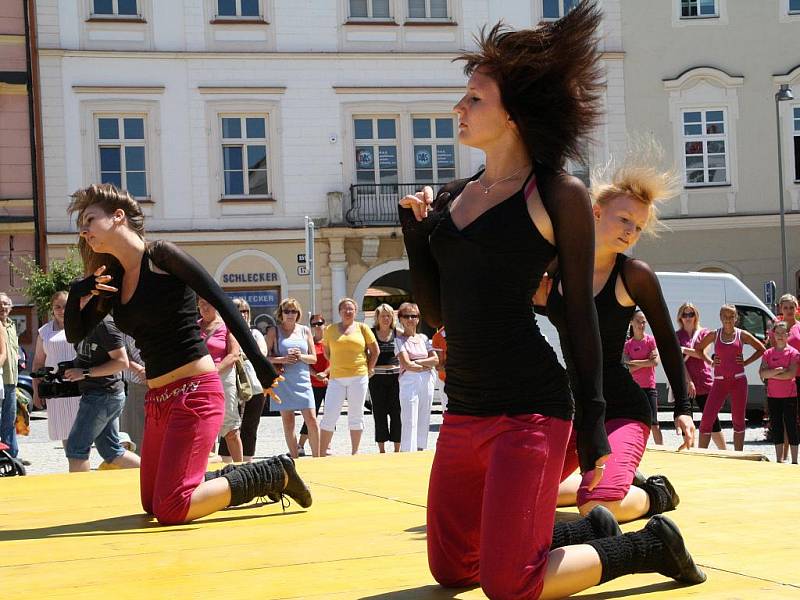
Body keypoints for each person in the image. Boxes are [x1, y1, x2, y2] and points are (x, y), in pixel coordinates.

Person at [398, 4, 705, 597]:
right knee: (452, 570)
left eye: (474, 99)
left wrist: (592, 426)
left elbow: (582, 315)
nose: (459, 108)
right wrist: (415, 232)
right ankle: (579, 531)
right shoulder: (456, 198)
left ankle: (645, 544)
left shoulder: (555, 193)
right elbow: (436, 315)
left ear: (513, 115)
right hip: (462, 410)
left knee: (507, 584)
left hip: (530, 413)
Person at [65, 183, 310, 525]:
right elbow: (76, 333)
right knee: (153, 503)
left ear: (118, 217)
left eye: (90, 219)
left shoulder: (161, 256)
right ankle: (225, 480)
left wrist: (262, 364)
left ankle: (271, 474)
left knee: (171, 508)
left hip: (196, 393)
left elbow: (223, 302)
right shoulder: (114, 280)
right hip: (158, 401)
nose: (84, 230)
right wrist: (79, 291)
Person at [538, 141, 695, 524]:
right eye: (624, 219)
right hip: (575, 411)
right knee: (521, 495)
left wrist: (684, 410)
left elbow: (667, 339)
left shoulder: (633, 274)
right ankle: (610, 480)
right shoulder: (555, 268)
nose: (630, 231)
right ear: (595, 212)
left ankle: (654, 493)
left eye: (638, 227)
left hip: (622, 409)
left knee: (597, 507)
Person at [61, 314, 140, 472]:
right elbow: (88, 357)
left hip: (103, 394)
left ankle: (80, 494)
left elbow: (121, 362)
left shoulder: (104, 324)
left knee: (76, 448)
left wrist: (84, 372)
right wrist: (69, 368)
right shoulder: (84, 322)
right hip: (101, 394)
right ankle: (151, 477)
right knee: (111, 450)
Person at [695, 304, 765, 451]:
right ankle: (701, 454)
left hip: (738, 381)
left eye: (731, 316)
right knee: (707, 419)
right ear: (720, 317)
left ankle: (738, 457)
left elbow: (761, 349)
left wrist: (746, 362)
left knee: (738, 420)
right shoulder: (715, 334)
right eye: (725, 316)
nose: (728, 319)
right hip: (719, 382)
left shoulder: (742, 335)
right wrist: (710, 361)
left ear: (736, 318)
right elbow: (699, 349)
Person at [319, 298, 379, 456]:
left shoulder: (363, 328)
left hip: (358, 376)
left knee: (356, 414)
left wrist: (370, 368)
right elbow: (326, 351)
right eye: (344, 309)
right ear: (339, 312)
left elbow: (375, 350)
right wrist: (335, 364)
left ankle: (355, 452)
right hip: (336, 378)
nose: (348, 311)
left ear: (356, 311)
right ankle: (321, 452)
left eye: (351, 309)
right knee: (329, 414)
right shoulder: (330, 330)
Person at [266, 298, 320, 458]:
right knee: (289, 422)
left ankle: (317, 458)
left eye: (293, 311)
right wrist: (282, 359)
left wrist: (300, 356)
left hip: (302, 379)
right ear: (281, 313)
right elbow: (265, 357)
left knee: (312, 419)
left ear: (298, 313)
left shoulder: (305, 330)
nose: (290, 314)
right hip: (283, 380)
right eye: (287, 311)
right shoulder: (273, 331)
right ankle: (295, 457)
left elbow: (314, 358)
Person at [217, 297, 268, 463]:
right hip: (231, 382)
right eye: (239, 310)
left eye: (246, 310)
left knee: (250, 425)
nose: (243, 314)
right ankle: (227, 460)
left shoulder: (255, 333)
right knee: (230, 423)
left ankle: (247, 461)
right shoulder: (224, 331)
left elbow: (261, 354)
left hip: (253, 384)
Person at [31, 291, 83, 447]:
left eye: (66, 306)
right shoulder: (44, 332)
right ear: (52, 309)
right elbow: (38, 363)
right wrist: (36, 391)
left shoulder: (81, 328)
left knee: (83, 434)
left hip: (80, 387)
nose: (62, 310)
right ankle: (74, 468)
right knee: (64, 433)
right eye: (57, 307)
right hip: (57, 391)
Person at [197, 296, 243, 463]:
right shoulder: (195, 326)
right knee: (205, 428)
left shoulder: (226, 325)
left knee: (230, 428)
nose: (204, 307)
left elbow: (234, 354)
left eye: (207, 303)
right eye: (201, 304)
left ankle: (241, 468)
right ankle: (208, 470)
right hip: (200, 380)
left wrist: (214, 371)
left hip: (223, 378)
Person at [675, 302, 725, 450]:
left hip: (704, 380)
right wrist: (689, 381)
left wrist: (683, 349)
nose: (688, 317)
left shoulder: (704, 333)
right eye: (685, 314)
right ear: (680, 317)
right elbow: (679, 361)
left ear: (696, 315)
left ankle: (725, 452)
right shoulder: (677, 335)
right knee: (686, 417)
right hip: (686, 382)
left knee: (711, 419)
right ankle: (690, 450)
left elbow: (702, 353)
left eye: (691, 314)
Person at [394, 302, 438, 452]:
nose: (410, 319)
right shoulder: (398, 340)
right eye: (406, 316)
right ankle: (407, 451)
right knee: (409, 417)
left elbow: (436, 360)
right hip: (409, 380)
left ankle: (421, 449)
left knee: (424, 415)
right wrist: (425, 364)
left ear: (418, 319)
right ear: (400, 318)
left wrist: (417, 362)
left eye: (414, 316)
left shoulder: (424, 338)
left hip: (426, 379)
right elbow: (406, 364)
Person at [759, 321, 799, 463]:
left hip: (789, 396)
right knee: (777, 426)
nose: (781, 336)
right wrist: (778, 371)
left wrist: (772, 374)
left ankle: (794, 460)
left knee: (791, 426)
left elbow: (791, 374)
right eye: (778, 333)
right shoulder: (768, 353)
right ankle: (779, 459)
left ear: (788, 335)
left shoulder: (794, 353)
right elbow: (762, 373)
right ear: (773, 335)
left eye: (783, 333)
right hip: (773, 396)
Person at [624, 310, 663, 445]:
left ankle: (662, 449)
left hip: (649, 388)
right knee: (634, 423)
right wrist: (647, 362)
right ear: (631, 322)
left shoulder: (650, 340)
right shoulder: (628, 345)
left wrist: (635, 363)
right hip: (634, 389)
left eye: (644, 322)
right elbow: (627, 367)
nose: (641, 325)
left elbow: (656, 362)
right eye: (638, 321)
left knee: (654, 423)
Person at [369, 303, 401, 452]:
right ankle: (381, 449)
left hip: (396, 378)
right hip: (377, 378)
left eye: (388, 315)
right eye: (383, 315)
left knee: (396, 412)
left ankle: (397, 448)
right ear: (377, 318)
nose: (386, 318)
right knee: (379, 413)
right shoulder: (370, 333)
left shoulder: (398, 333)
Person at [300, 313, 329, 455]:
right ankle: (301, 444)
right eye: (314, 324)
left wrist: (325, 373)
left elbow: (335, 360)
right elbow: (306, 361)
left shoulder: (329, 341)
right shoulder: (309, 342)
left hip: (329, 382)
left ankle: (326, 444)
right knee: (311, 416)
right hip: (313, 383)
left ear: (324, 324)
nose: (317, 326)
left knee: (329, 415)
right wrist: (316, 375)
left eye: (320, 323)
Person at [119, 332, 147, 453]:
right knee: (135, 436)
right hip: (137, 384)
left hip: (166, 382)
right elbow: (120, 353)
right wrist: (140, 370)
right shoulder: (123, 320)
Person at [0, 293, 19, 460]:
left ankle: (11, 456)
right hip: (0, 380)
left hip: (12, 382)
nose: (3, 307)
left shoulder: (12, 326)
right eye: (0, 304)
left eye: (6, 304)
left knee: (10, 421)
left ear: (11, 308)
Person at [431, 326, 448, 412]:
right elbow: (439, 366)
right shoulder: (438, 337)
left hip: (467, 381)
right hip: (446, 381)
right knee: (447, 412)